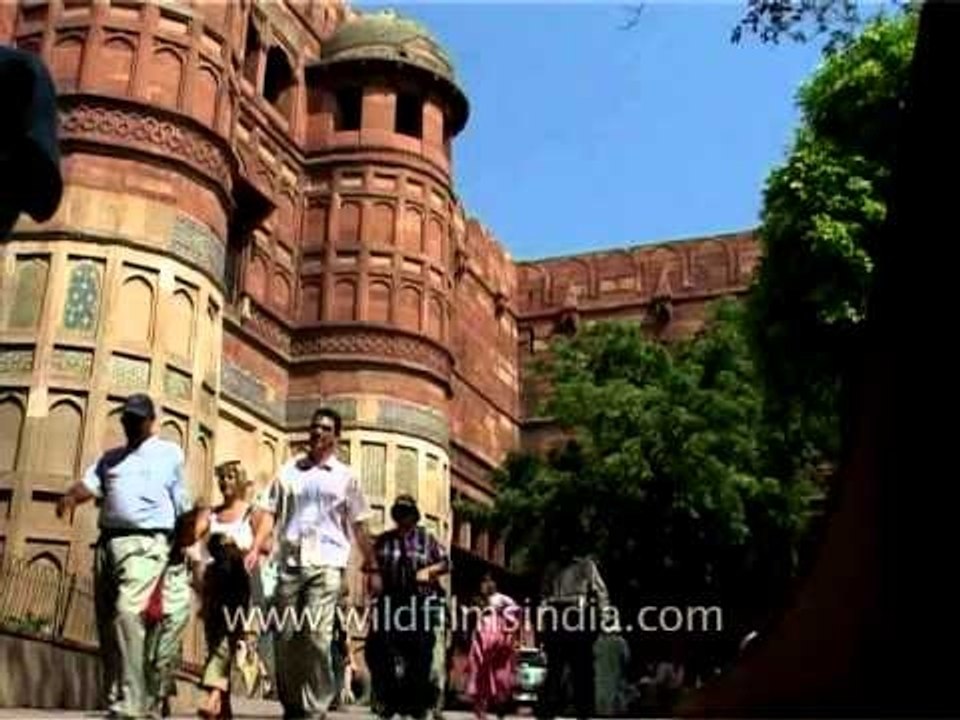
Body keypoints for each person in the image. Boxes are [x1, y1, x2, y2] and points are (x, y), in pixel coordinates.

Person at [55, 393, 194, 719]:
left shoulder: (168, 453)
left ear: (150, 421)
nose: (130, 423)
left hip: (147, 546)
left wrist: (182, 544)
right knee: (108, 625)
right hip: (107, 546)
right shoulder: (110, 458)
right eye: (126, 418)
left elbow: (182, 503)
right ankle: (119, 697)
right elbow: (88, 486)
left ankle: (131, 703)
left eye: (137, 418)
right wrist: (69, 498)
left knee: (128, 614)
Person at [244, 407, 378, 720]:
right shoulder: (289, 471)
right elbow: (270, 512)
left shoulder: (347, 477)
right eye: (314, 427)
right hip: (290, 563)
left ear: (336, 436)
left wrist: (371, 564)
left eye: (326, 428)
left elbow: (359, 525)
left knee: (317, 636)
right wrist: (255, 546)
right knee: (287, 636)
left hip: (327, 564)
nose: (318, 432)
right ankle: (292, 705)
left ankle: (315, 707)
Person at [365, 494, 449, 720]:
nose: (403, 518)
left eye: (407, 513)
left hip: (418, 603)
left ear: (414, 516)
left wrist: (429, 571)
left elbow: (446, 562)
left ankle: (418, 703)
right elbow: (370, 567)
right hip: (389, 602)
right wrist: (373, 578)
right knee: (376, 649)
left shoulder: (426, 539)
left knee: (421, 654)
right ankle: (388, 699)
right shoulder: (384, 540)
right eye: (399, 513)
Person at [195, 460, 256, 719]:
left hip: (238, 586)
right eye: (221, 477)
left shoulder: (252, 513)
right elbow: (196, 546)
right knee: (215, 643)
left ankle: (212, 694)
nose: (225, 481)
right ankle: (224, 709)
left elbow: (264, 548)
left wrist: (240, 548)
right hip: (213, 585)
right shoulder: (211, 514)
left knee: (225, 642)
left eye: (231, 476)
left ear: (240, 480)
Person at [536, 534, 610, 720]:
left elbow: (601, 595)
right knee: (555, 672)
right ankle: (548, 711)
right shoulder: (552, 568)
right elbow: (543, 597)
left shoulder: (586, 567)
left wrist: (602, 621)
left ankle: (583, 712)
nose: (564, 550)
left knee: (581, 673)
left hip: (580, 623)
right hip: (558, 622)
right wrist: (543, 627)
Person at [467, 573, 521, 720]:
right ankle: (481, 711)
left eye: (489, 581)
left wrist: (511, 627)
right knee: (479, 675)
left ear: (495, 583)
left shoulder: (503, 599)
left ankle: (500, 707)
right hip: (481, 641)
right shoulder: (476, 600)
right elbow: (471, 619)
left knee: (500, 677)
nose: (485, 585)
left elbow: (516, 612)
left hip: (499, 641)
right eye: (483, 582)